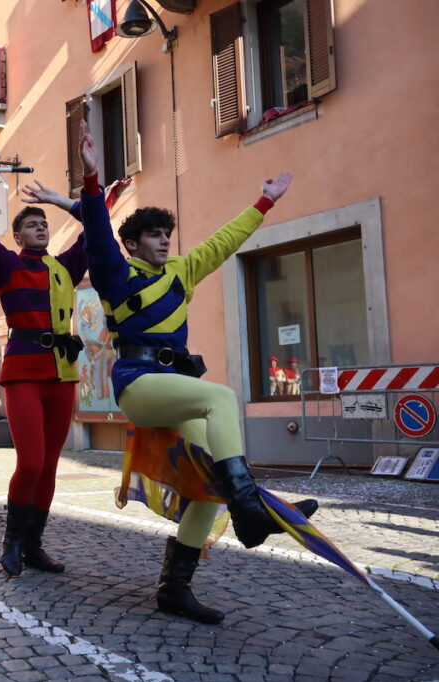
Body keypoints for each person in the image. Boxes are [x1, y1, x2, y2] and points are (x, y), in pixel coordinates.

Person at [72, 119, 317, 623]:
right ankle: (250, 507)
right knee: (221, 398)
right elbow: (97, 234)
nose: (164, 242)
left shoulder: (182, 271)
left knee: (205, 482)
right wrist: (92, 181)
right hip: (137, 384)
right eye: (154, 236)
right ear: (134, 243)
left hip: (174, 387)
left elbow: (226, 241)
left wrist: (265, 201)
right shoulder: (117, 274)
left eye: (166, 234)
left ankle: (174, 587)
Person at [0, 157, 88, 578]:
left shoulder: (65, 266)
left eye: (45, 225)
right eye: (33, 226)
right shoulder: (7, 264)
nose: (42, 229)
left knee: (50, 466)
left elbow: (96, 231)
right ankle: (12, 541)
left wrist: (82, 195)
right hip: (23, 372)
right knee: (29, 463)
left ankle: (34, 545)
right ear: (17, 236)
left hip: (62, 373)